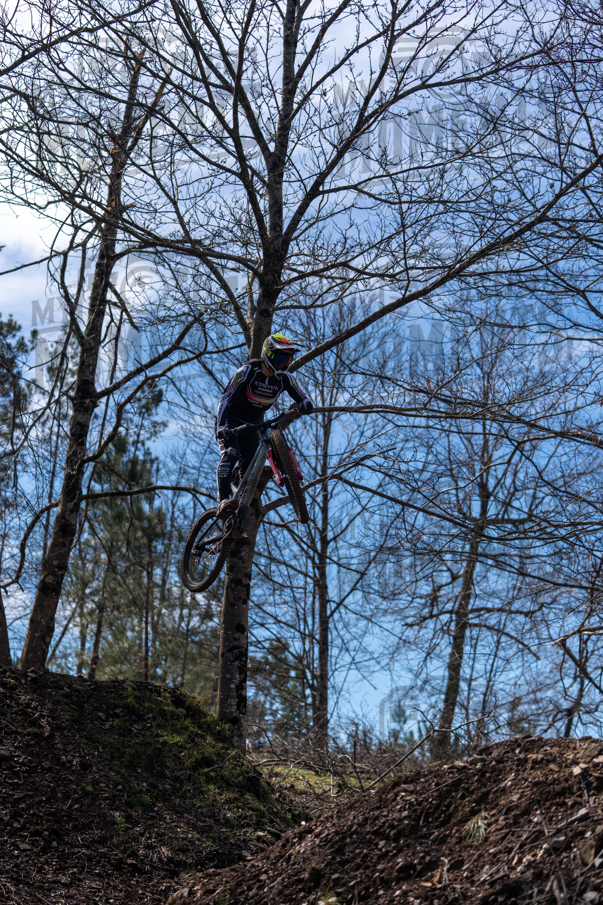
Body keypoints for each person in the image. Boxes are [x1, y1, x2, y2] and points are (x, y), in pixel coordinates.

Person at [215, 333, 314, 520]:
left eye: (287, 359)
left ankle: (237, 522)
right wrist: (221, 427)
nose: (284, 364)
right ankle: (223, 501)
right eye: (279, 358)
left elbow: (303, 397)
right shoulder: (246, 372)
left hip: (253, 423)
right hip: (231, 421)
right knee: (232, 453)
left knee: (251, 471)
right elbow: (225, 398)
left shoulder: (286, 379)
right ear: (267, 355)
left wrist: (306, 404)